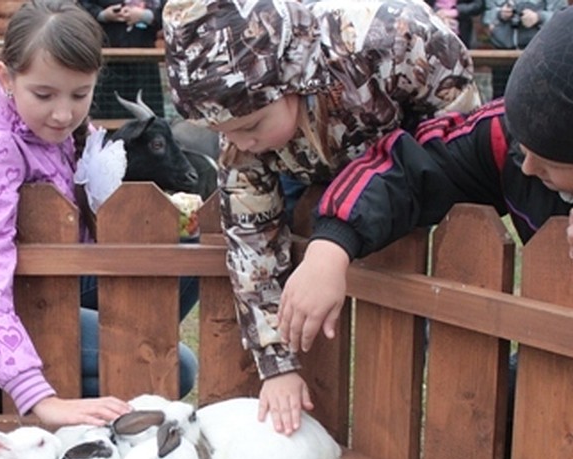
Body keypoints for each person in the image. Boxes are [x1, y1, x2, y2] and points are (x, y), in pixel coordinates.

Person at [280, 0, 573, 421]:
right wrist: (332, 244)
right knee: (467, 365)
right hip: (557, 350)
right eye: (525, 146)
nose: (527, 165)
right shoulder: (512, 137)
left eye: (554, 162)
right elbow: (411, 164)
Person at [162, 0, 480, 434]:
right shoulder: (245, 142)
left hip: (411, 168)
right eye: (222, 132)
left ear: (290, 79)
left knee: (417, 303)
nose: (239, 143)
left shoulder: (392, 37)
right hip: (305, 162)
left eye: (251, 124)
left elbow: (461, 131)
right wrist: (276, 365)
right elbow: (252, 242)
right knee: (298, 283)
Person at [0, 0, 197, 428]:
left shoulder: (60, 127)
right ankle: (19, 380)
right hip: (25, 303)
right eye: (44, 94)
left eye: (80, 94)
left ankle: (128, 342)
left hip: (68, 277)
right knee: (178, 366)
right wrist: (40, 399)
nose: (63, 112)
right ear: (6, 77)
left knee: (184, 259)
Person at [80, 0, 168, 119]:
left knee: (149, 119)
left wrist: (143, 15)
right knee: (106, 117)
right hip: (107, 62)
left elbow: (171, 12)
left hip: (145, 63)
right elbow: (81, 8)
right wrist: (103, 15)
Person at [482, 0, 564, 99]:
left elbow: (562, 16)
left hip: (537, 54)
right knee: (499, 101)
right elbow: (486, 16)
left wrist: (539, 17)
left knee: (536, 99)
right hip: (502, 55)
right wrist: (500, 14)